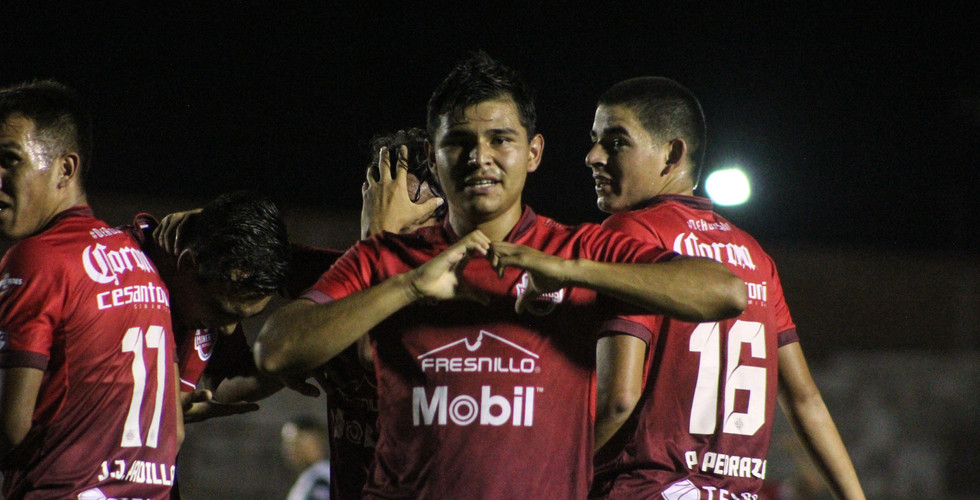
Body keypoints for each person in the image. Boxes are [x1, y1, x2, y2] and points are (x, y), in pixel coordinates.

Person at [255, 52, 746, 499]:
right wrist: (407, 287)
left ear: (533, 152)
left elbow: (724, 292)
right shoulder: (387, 258)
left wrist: (569, 271)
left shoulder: (578, 251)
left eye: (500, 139)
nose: (480, 157)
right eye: (459, 142)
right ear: (433, 154)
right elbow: (275, 351)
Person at [585, 77, 865, 499]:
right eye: (594, 141)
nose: (593, 156)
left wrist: (549, 480)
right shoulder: (755, 256)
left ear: (672, 154)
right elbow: (805, 401)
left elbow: (619, 401)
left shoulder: (633, 234)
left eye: (616, 142)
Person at [0, 80, 180, 498]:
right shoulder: (140, 262)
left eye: (10, 160)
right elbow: (176, 431)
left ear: (65, 168)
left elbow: (10, 429)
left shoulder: (39, 259)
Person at [288, 128, 445, 500]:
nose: (391, 213)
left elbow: (371, 354)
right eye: (382, 198)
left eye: (406, 207)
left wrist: (377, 235)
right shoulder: (337, 276)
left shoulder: (456, 295)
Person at [139, 190, 293, 423]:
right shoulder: (115, 278)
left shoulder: (212, 284)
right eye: (222, 311)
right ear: (188, 264)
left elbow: (226, 377)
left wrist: (300, 363)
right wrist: (155, 412)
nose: (229, 330)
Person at [281, 415, 332, 500]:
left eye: (295, 443)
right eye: (287, 444)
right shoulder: (309, 478)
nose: (289, 449)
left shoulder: (320, 478)